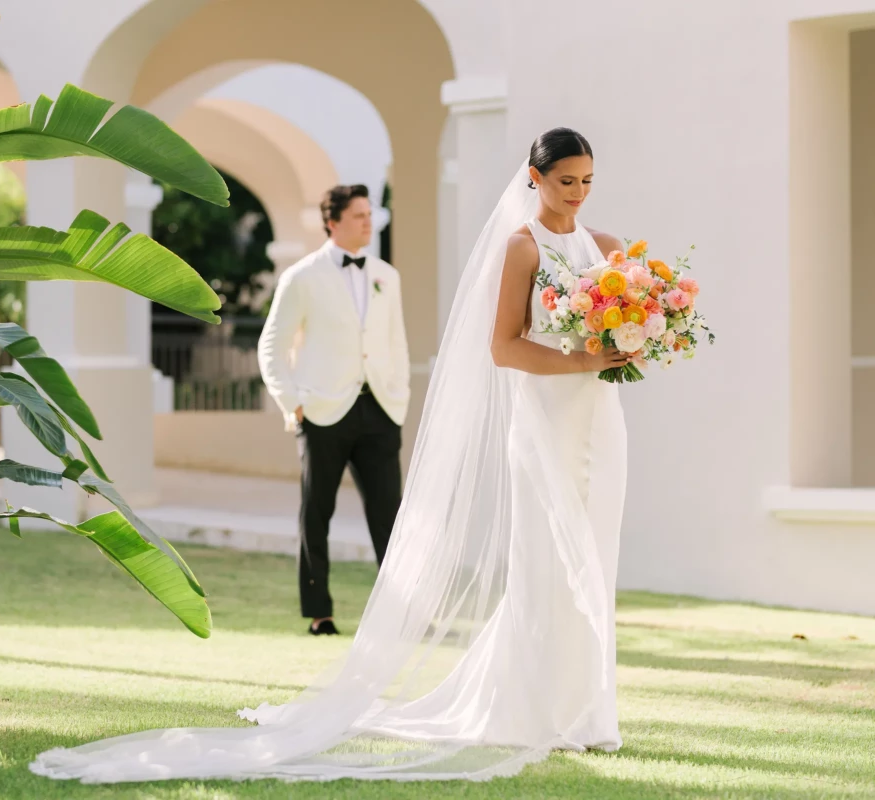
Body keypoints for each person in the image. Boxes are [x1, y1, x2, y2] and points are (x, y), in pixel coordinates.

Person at [31, 128, 637, 783]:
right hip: (541, 421)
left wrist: (635, 338)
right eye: (564, 180)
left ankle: (587, 712)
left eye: (585, 182)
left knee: (595, 557)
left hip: (598, 421)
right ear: (533, 177)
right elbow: (502, 348)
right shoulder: (521, 249)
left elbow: (618, 321)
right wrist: (579, 357)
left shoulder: (605, 248)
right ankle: (535, 707)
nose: (575, 194)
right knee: (545, 560)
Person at [255, 184, 411, 636]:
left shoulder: (387, 275)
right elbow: (271, 346)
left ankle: (396, 614)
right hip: (321, 411)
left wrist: (398, 397)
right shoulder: (302, 277)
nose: (368, 222)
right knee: (316, 512)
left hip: (380, 410)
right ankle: (320, 613)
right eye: (359, 215)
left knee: (389, 515)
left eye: (370, 214)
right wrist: (292, 403)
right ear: (333, 222)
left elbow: (395, 342)